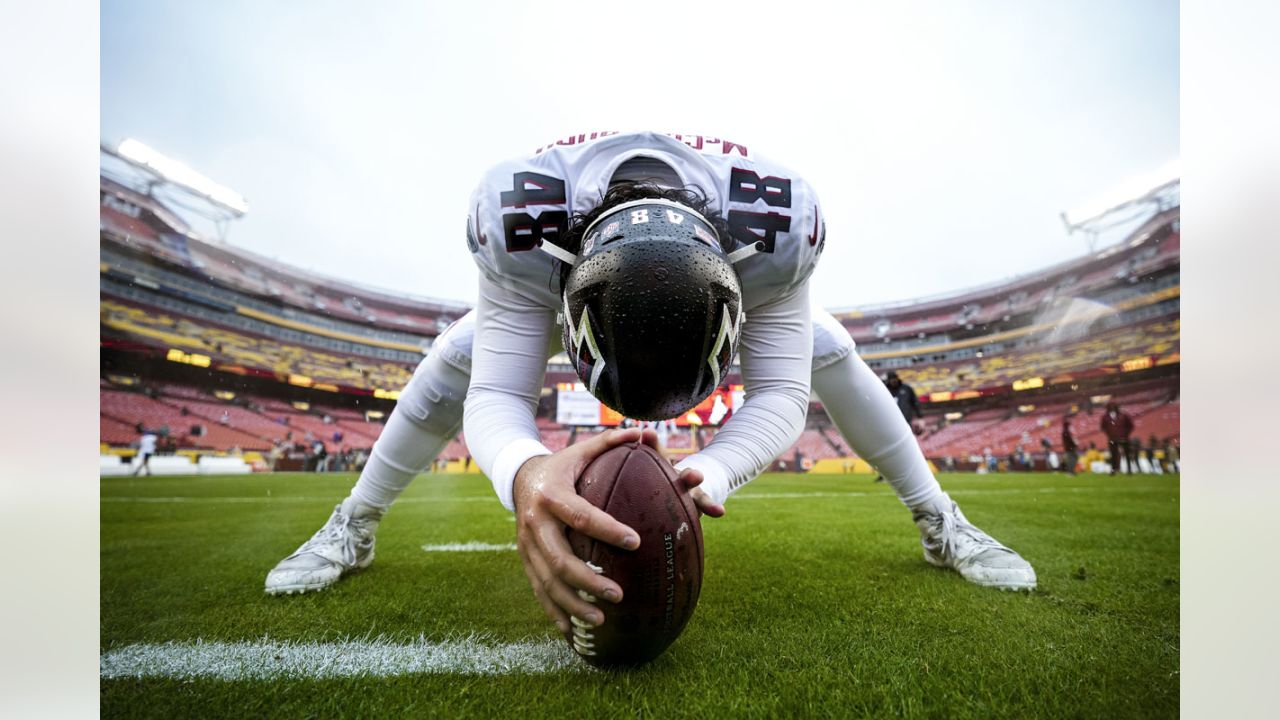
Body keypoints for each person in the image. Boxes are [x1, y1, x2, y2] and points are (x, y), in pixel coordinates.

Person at [263, 132, 1036, 630]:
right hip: (575, 252)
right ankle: (354, 523)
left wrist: (712, 470)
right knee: (454, 358)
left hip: (703, 249)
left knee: (828, 348)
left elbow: (776, 393)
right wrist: (528, 474)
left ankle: (940, 519)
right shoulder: (523, 221)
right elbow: (497, 397)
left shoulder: (778, 229)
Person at [1100, 401, 1135, 475]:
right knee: (1113, 455)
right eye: (1110, 406)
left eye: (1113, 406)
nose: (1112, 408)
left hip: (1123, 438)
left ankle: (1129, 469)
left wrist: (1126, 434)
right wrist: (1109, 434)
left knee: (1126, 454)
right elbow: (1103, 427)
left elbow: (1130, 426)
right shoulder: (1105, 417)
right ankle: (1114, 469)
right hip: (1112, 438)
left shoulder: (1123, 415)